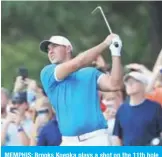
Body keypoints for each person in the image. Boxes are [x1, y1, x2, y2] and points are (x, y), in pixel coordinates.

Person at [40, 34, 123, 146]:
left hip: (97, 139)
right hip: (68, 142)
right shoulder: (47, 73)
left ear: (68, 48)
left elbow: (115, 85)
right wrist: (105, 43)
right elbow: (78, 62)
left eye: (54, 46)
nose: (50, 51)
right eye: (48, 49)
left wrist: (116, 53)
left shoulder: (89, 73)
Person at [113, 71, 162, 146]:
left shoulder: (155, 107)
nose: (129, 84)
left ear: (144, 85)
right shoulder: (121, 109)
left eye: (133, 81)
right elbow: (116, 136)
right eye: (127, 82)